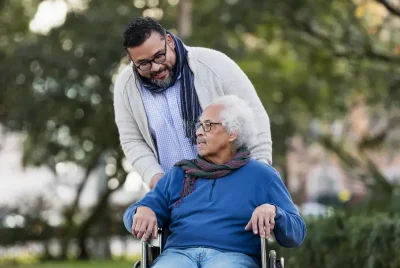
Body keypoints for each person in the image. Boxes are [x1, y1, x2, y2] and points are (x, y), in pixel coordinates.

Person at [123, 95, 306, 268]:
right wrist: (142, 210)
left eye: (208, 125)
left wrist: (274, 211)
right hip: (178, 255)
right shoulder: (180, 174)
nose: (198, 132)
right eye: (199, 125)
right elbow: (133, 214)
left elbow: (296, 233)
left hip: (233, 256)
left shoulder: (262, 176)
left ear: (232, 133)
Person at [114, 17, 272, 189]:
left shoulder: (214, 64)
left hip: (231, 187)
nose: (155, 67)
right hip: (175, 197)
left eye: (159, 56)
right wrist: (155, 177)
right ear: (132, 60)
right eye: (143, 64)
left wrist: (259, 175)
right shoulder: (126, 86)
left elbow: (255, 120)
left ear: (169, 41)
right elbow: (132, 139)